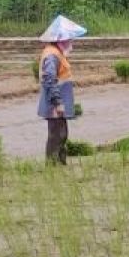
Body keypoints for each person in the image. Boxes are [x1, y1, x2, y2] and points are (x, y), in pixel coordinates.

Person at [37, 14, 86, 164]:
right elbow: (50, 80)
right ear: (61, 40)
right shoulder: (51, 55)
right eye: (69, 40)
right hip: (54, 104)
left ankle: (60, 163)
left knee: (62, 134)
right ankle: (52, 165)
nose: (71, 42)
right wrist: (58, 102)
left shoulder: (57, 53)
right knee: (56, 135)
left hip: (58, 103)